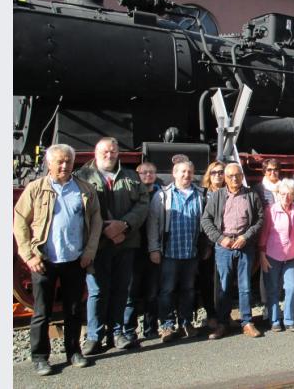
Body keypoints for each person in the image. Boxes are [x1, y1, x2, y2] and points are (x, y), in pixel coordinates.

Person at [13, 144, 102, 375]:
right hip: (44, 260)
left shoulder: (85, 189)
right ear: (49, 164)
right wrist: (28, 255)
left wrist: (90, 251)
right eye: (59, 162)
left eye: (68, 162)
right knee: (42, 312)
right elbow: (20, 220)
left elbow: (96, 221)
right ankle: (40, 357)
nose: (64, 166)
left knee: (73, 309)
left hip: (75, 259)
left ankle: (73, 351)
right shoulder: (35, 188)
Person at [76, 137, 150, 355]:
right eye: (105, 152)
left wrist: (124, 225)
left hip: (125, 242)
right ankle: (94, 336)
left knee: (121, 289)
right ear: (95, 153)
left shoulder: (131, 177)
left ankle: (117, 333)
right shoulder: (82, 176)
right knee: (97, 291)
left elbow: (143, 203)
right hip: (96, 244)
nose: (109, 155)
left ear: (118, 153)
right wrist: (106, 230)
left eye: (113, 151)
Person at [201, 162, 265, 339]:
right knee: (224, 286)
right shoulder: (218, 196)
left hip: (245, 245)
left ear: (242, 176)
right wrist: (221, 239)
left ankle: (247, 322)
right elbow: (206, 220)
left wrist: (246, 237)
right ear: (225, 178)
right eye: (230, 176)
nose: (234, 179)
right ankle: (222, 323)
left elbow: (260, 219)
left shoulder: (251, 195)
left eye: (237, 175)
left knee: (244, 286)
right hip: (224, 246)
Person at [147, 160, 205, 342]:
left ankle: (186, 322)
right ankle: (166, 326)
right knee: (167, 290)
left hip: (191, 252)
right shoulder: (162, 195)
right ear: (174, 173)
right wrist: (154, 248)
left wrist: (205, 247)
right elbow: (153, 223)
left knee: (188, 290)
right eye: (182, 172)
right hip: (169, 252)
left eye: (189, 172)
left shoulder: (200, 195)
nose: (186, 175)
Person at [123, 162, 162, 344]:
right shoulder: (131, 194)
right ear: (137, 174)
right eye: (144, 172)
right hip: (134, 249)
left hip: (153, 249)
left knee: (152, 293)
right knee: (130, 293)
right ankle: (128, 331)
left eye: (151, 172)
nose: (148, 175)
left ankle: (150, 329)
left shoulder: (161, 195)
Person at [259, 179, 294, 332]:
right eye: (283, 193)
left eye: (290, 194)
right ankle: (274, 320)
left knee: (291, 287)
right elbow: (264, 234)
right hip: (273, 255)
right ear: (278, 194)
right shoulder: (270, 210)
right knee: (273, 289)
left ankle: (289, 319)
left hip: (291, 257)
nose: (286, 197)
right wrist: (262, 255)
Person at [197, 160, 225, 331]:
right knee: (207, 280)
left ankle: (224, 314)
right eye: (214, 172)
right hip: (208, 243)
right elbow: (201, 220)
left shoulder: (230, 192)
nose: (218, 175)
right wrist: (207, 243)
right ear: (209, 175)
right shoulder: (203, 194)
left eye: (221, 172)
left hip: (226, 243)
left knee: (225, 280)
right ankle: (211, 315)